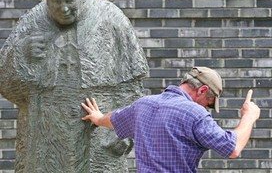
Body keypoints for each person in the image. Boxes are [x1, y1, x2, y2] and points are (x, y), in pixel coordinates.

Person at [0, 0, 148, 173]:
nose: (64, 8)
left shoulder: (112, 19)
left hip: (98, 135)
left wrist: (123, 131)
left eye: (69, 0)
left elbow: (132, 86)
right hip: (45, 135)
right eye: (56, 1)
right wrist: (22, 53)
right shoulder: (32, 22)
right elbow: (7, 86)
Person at [81, 66, 261, 172]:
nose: (206, 108)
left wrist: (98, 118)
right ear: (203, 90)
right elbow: (233, 148)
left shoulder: (143, 105)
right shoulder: (195, 114)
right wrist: (249, 116)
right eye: (208, 102)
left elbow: (115, 119)